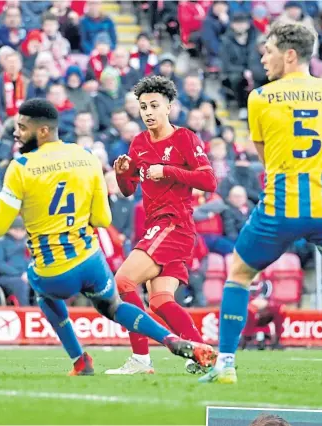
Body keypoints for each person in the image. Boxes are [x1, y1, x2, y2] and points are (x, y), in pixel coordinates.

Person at [0, 98, 216, 376]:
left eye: (22, 127)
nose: (16, 134)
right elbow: (102, 219)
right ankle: (171, 340)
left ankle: (80, 360)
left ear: (42, 131)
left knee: (45, 295)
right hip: (90, 260)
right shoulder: (87, 157)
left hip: (53, 268)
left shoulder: (21, 167)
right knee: (116, 304)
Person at [200, 22, 322, 385]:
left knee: (240, 275)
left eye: (269, 51)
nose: (263, 58)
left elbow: (266, 158)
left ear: (289, 55)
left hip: (277, 212)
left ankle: (225, 364)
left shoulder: (259, 97)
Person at [106, 75, 218, 375]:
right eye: (143, 107)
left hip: (174, 225)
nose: (148, 112)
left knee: (123, 282)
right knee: (159, 300)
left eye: (154, 105)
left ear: (169, 107)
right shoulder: (139, 142)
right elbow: (129, 190)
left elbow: (209, 180)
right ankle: (202, 355)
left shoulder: (184, 138)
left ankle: (141, 359)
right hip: (156, 228)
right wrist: (122, 174)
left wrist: (167, 170)